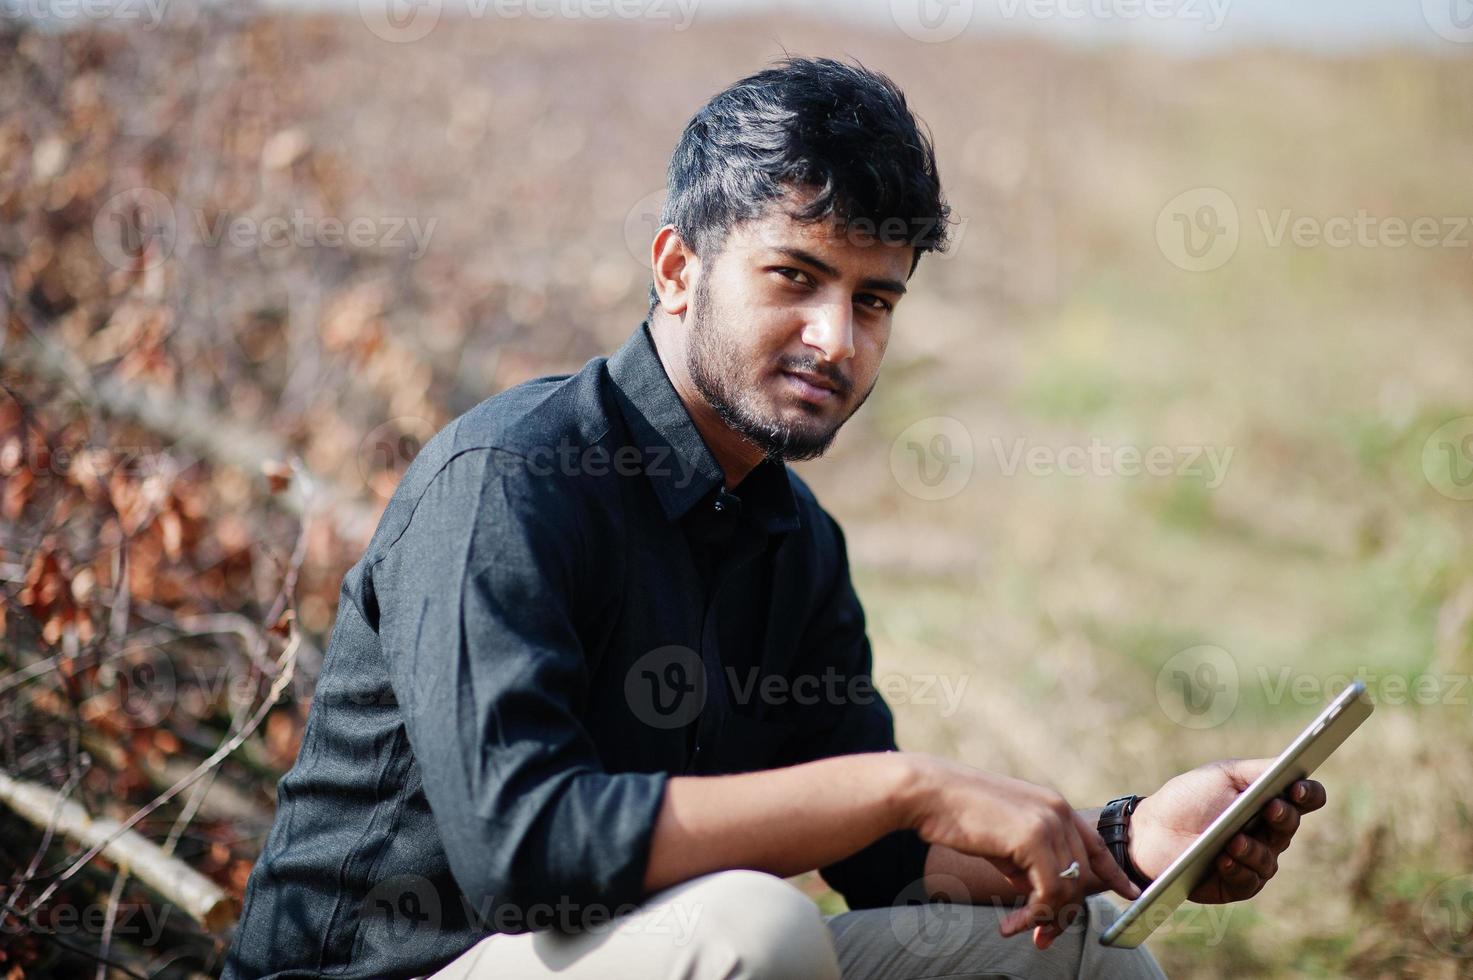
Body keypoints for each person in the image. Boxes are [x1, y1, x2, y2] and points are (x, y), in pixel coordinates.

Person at [222, 56, 1325, 980]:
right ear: (676, 268)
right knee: (757, 927)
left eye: (874, 298)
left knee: (1086, 955)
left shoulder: (796, 540)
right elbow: (526, 852)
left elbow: (893, 859)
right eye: (795, 276)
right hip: (392, 967)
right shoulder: (509, 478)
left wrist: (1130, 842)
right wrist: (905, 781)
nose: (837, 338)